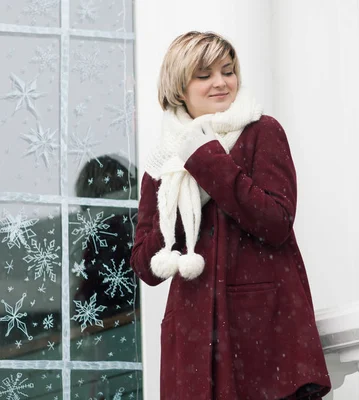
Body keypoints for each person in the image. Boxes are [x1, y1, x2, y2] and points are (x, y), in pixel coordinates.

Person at [130, 31, 331, 400]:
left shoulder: (262, 132)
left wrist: (207, 160)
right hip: (192, 343)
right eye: (204, 75)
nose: (221, 83)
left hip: (262, 335)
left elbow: (276, 221)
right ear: (179, 88)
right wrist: (184, 180)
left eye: (228, 71)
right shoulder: (163, 164)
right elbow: (145, 263)